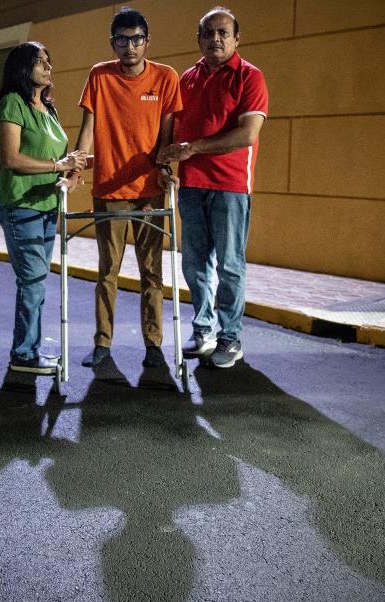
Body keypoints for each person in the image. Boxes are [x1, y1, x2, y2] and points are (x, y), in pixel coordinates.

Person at [157, 6, 268, 369]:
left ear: (237, 38)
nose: (216, 39)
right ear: (199, 39)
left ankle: (230, 337)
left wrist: (194, 148)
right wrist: (166, 163)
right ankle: (203, 329)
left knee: (231, 266)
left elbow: (247, 134)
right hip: (190, 186)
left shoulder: (250, 78)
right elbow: (173, 131)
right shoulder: (187, 79)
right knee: (194, 264)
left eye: (223, 33)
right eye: (209, 33)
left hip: (231, 187)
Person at [72, 7, 183, 369]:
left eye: (136, 39)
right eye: (123, 39)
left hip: (150, 189)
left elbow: (166, 134)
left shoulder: (166, 78)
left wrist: (165, 168)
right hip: (109, 189)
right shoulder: (99, 76)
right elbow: (88, 128)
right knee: (108, 271)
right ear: (113, 42)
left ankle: (154, 345)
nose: (130, 46)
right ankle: (103, 344)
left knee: (152, 272)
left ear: (147, 41)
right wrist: (77, 164)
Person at [0, 42, 87, 374]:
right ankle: (23, 354)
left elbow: (61, 161)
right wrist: (57, 165)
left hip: (48, 206)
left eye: (49, 60)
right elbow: (11, 158)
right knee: (32, 280)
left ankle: (29, 349)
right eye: (39, 62)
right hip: (22, 207)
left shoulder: (48, 109)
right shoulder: (12, 104)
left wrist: (70, 174)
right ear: (22, 68)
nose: (48, 67)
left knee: (37, 280)